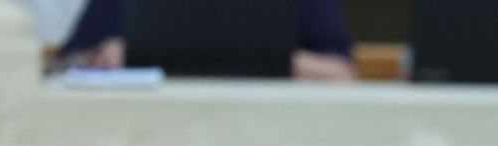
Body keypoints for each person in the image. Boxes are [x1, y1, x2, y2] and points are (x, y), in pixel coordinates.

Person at [56, 0, 358, 78]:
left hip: (273, 136)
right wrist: (103, 56)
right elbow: (65, 66)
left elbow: (341, 73)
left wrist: (276, 60)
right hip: (149, 135)